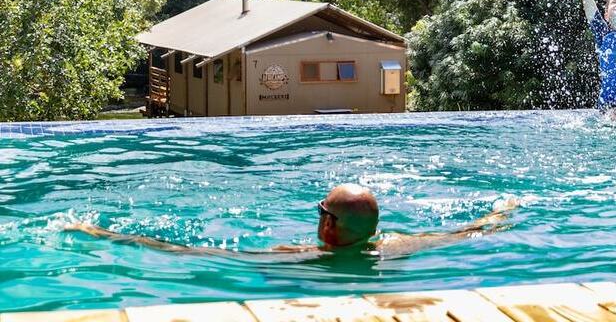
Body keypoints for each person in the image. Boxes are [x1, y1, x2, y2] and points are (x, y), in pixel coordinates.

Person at [65, 184, 517, 259]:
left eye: (320, 211)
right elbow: (465, 231)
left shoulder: (300, 258)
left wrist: (102, 233)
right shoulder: (397, 246)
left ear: (329, 227)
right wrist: (503, 211)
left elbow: (191, 251)